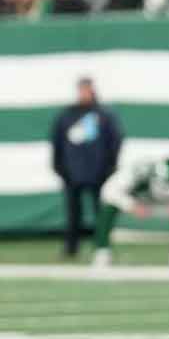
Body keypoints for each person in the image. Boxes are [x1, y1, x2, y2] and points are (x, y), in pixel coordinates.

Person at [51, 76, 123, 258]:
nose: (84, 93)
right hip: (72, 172)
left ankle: (101, 246)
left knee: (101, 211)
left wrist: (110, 165)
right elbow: (57, 141)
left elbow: (115, 140)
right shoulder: (67, 115)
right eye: (81, 90)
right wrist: (59, 165)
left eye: (87, 89)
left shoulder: (104, 115)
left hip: (98, 172)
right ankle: (71, 247)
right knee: (73, 213)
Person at [91, 156, 169, 267]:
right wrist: (131, 206)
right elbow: (108, 192)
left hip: (164, 204)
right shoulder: (136, 174)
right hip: (137, 201)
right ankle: (102, 252)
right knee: (108, 208)